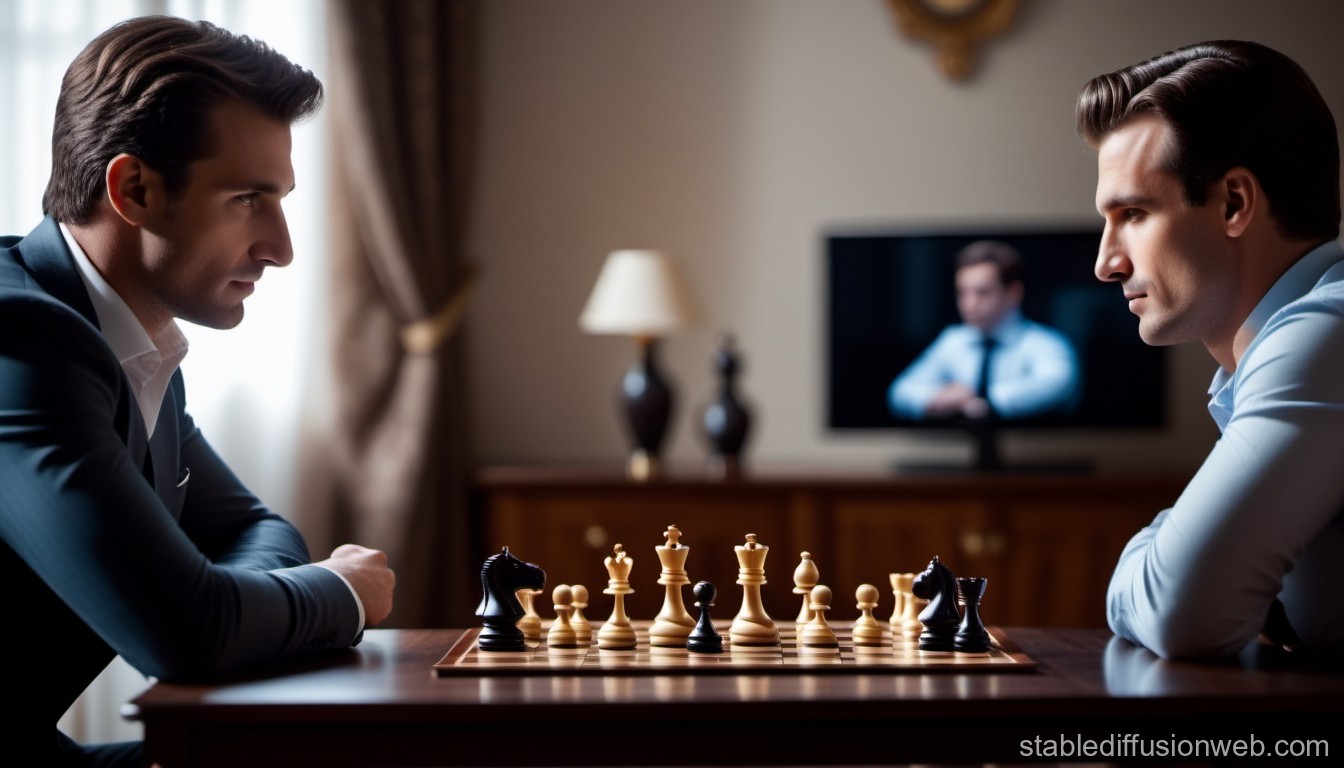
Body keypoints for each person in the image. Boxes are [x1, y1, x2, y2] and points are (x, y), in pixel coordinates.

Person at [0, 16, 396, 764]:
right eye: (249, 198)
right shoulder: (22, 341)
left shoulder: (135, 345)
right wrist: (340, 592)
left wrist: (220, 600)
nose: (281, 248)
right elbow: (183, 635)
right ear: (134, 189)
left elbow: (258, 530)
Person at [1078, 40, 1344, 659]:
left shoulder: (1324, 335)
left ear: (1234, 203)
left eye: (1134, 213)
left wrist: (1140, 563)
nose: (1106, 263)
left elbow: (1183, 614)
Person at [887, 240, 1080, 421]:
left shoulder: (1045, 343)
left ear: (1013, 293)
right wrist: (938, 398)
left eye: (982, 292)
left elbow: (1057, 385)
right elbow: (900, 393)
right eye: (962, 292)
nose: (969, 304)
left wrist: (983, 400)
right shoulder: (953, 341)